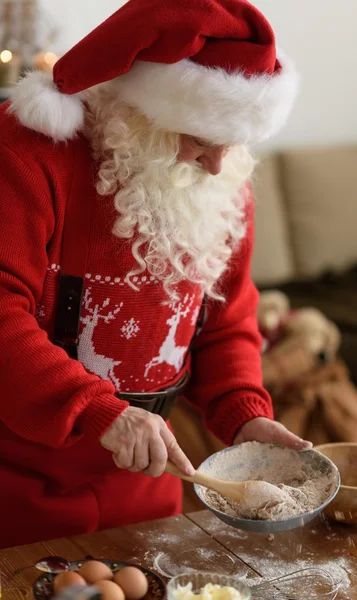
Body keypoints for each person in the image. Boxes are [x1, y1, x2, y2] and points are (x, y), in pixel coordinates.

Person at [0, 0, 308, 549]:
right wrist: (99, 411)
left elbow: (226, 320)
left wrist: (243, 416)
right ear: (136, 109)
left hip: (148, 492)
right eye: (200, 139)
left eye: (231, 142)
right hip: (19, 488)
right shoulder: (30, 154)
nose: (217, 165)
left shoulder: (222, 179)